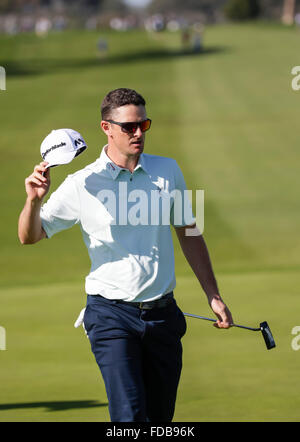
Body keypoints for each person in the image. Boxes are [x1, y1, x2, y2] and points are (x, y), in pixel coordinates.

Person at [18, 88, 233, 422]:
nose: (138, 133)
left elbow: (190, 231)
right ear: (106, 128)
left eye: (143, 125)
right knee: (129, 418)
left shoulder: (169, 170)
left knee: (160, 420)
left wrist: (214, 295)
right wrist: (33, 200)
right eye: (129, 126)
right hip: (110, 317)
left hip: (163, 315)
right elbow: (28, 236)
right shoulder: (82, 183)